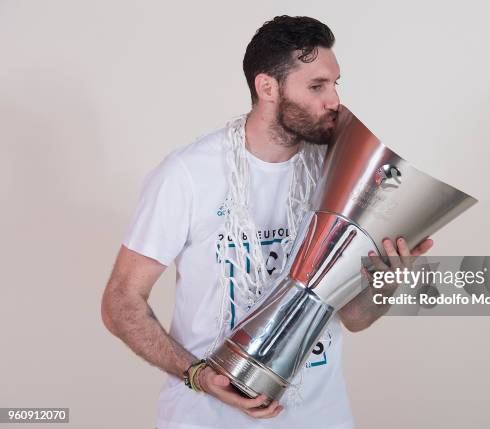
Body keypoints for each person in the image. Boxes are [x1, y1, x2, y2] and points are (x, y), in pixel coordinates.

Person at [101, 15, 433, 429]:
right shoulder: (188, 174)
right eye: (316, 86)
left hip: (320, 417)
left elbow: (355, 318)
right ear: (267, 87)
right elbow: (120, 301)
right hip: (207, 418)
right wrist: (197, 375)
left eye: (334, 83)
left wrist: (389, 281)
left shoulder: (341, 172)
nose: (334, 100)